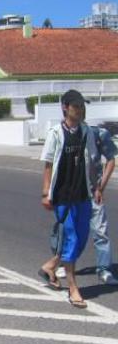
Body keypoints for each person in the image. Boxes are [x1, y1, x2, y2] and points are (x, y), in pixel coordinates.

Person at [38, 90, 100, 308]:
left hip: (82, 193)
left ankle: (51, 265)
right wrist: (46, 193)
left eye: (82, 106)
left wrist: (97, 187)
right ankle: (73, 288)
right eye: (76, 106)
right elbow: (47, 165)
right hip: (63, 195)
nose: (81, 110)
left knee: (82, 238)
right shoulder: (56, 133)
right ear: (65, 107)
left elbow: (92, 161)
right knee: (72, 237)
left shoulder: (86, 132)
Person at [56, 120, 117, 283]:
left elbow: (111, 160)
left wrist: (101, 187)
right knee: (70, 231)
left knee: (101, 232)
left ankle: (104, 269)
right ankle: (63, 263)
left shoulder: (98, 134)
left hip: (92, 192)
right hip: (72, 194)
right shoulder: (64, 134)